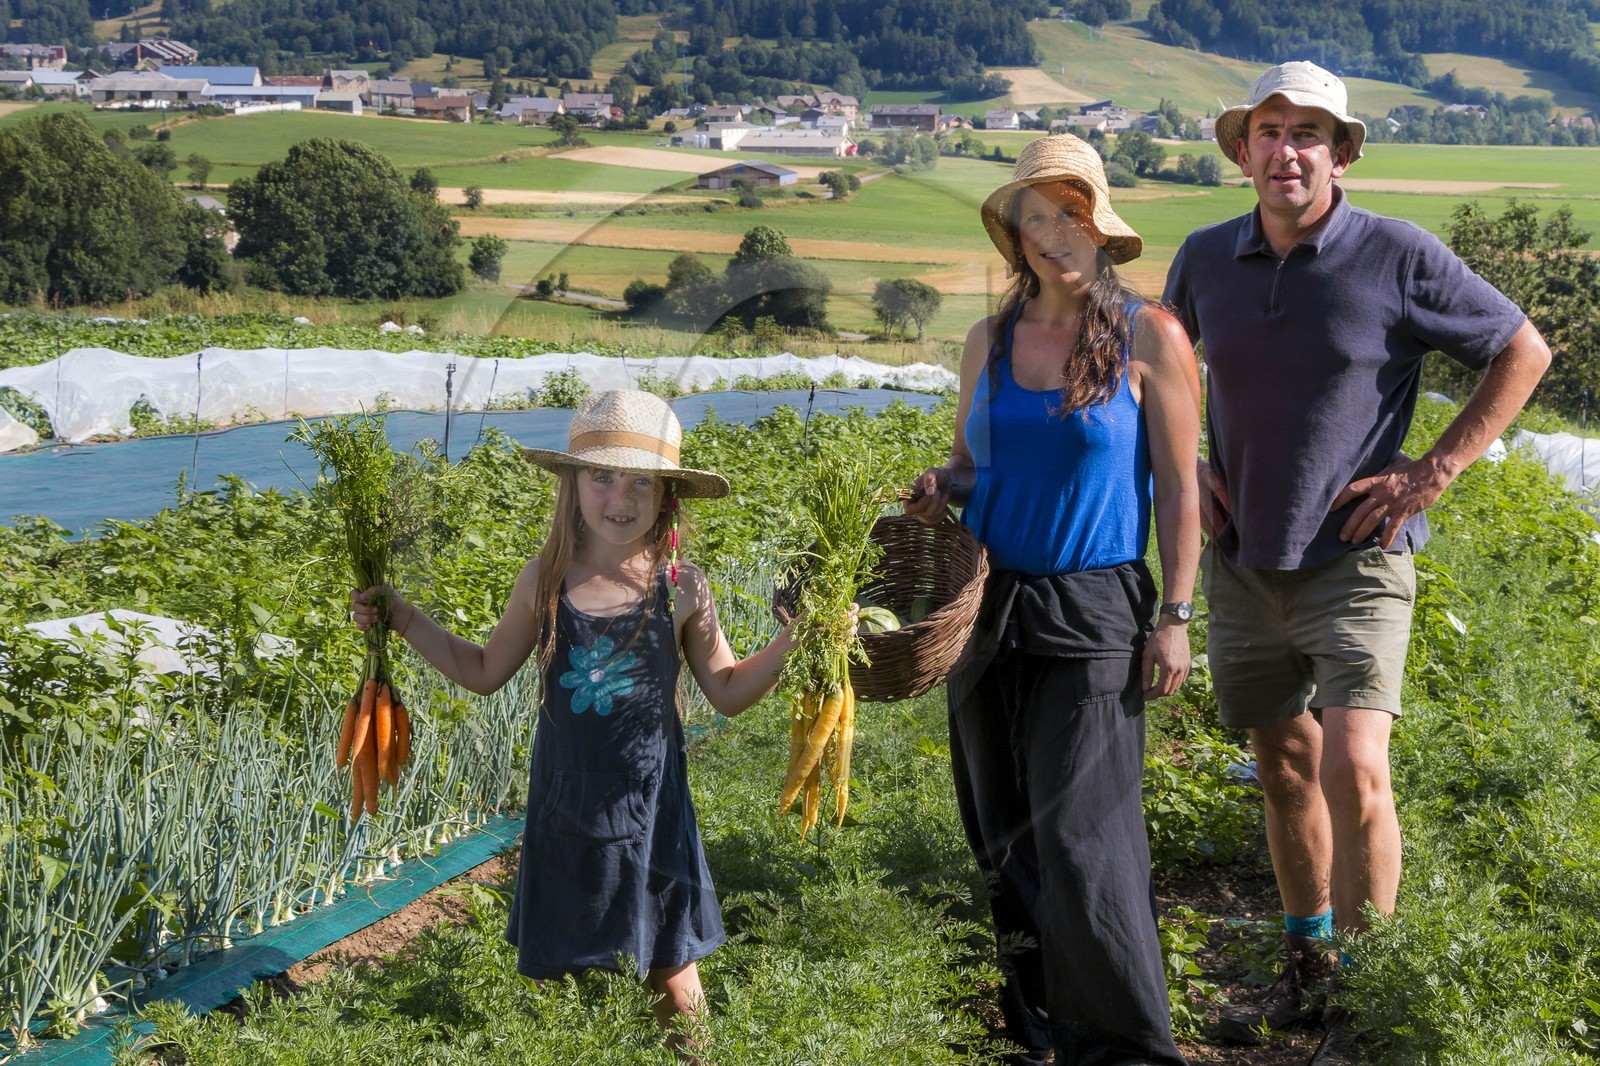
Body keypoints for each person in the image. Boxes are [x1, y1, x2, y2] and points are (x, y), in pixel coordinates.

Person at [1163, 61, 1552, 1063]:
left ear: (1338, 153)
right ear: (1243, 148)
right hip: (1246, 555)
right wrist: (1190, 460)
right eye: (1269, 130)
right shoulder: (1205, 260)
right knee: (1283, 769)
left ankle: (1368, 1002)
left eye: (1307, 134)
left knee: (1354, 767)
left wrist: (1433, 470)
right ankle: (1308, 972)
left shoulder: (1396, 254)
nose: (1285, 150)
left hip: (1358, 554)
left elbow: (1523, 349)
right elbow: (1154, 373)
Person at [350, 389, 797, 1053]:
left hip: (653, 818)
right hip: (564, 814)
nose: (621, 498)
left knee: (673, 983)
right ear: (572, 485)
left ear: (668, 495)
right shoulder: (545, 580)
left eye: (641, 482)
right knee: (551, 989)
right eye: (602, 476)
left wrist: (798, 640)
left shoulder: (682, 585)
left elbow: (728, 691)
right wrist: (406, 618)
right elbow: (481, 670)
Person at [907, 134, 1202, 1066]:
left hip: (1095, 607)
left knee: (1084, 835)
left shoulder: (1150, 335)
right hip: (987, 610)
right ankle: (1038, 1027)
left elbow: (1183, 488)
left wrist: (1176, 616)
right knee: (1001, 826)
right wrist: (939, 483)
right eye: (1032, 220)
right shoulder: (987, 341)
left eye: (1066, 215)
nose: (1049, 235)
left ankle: (1125, 1047)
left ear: (1098, 226)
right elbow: (974, 465)